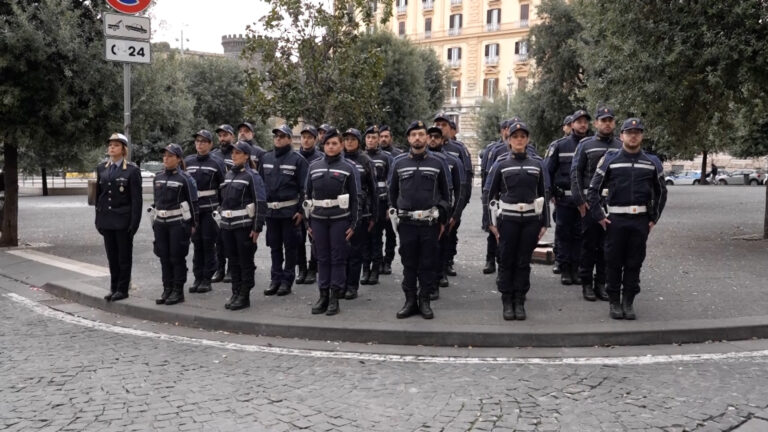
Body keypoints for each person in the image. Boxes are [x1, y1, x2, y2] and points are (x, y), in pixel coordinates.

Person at [588, 118, 667, 320]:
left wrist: (653, 219)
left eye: (637, 132)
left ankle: (628, 302)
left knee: (634, 262)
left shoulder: (652, 162)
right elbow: (593, 190)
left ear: (642, 136)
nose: (633, 135)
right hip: (615, 220)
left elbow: (661, 193)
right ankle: (614, 301)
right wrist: (599, 216)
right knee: (613, 262)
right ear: (621, 135)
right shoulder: (610, 159)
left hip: (640, 221)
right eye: (629, 132)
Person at [484, 121, 550, 320]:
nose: (519, 140)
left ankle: (520, 300)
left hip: (530, 220)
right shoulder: (501, 164)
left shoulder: (537, 164)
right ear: (509, 140)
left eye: (523, 136)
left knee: (523, 261)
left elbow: (543, 193)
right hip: (508, 219)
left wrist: (545, 222)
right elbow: (489, 194)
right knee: (506, 260)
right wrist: (490, 223)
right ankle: (507, 300)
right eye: (515, 137)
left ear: (527, 140)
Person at [388, 120, 451, 319]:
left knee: (428, 264)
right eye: (413, 134)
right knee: (408, 264)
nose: (418, 137)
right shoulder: (398, 163)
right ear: (408, 138)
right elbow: (392, 193)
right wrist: (394, 215)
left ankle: (424, 301)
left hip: (429, 224)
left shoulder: (438, 162)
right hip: (407, 223)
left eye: (421, 134)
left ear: (426, 137)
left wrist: (442, 219)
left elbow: (446, 195)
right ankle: (409, 301)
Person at [304, 128, 360, 315]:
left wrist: (353, 224)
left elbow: (356, 198)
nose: (330, 146)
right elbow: (306, 195)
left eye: (334, 143)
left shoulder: (349, 167)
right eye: (327, 143)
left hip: (339, 220)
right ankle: (323, 296)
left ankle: (335, 297)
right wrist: (308, 223)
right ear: (323, 145)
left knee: (338, 258)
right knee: (322, 258)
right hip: (318, 219)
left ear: (341, 145)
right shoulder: (313, 166)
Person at [570, 107, 622, 302]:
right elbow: (575, 174)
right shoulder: (586, 145)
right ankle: (586, 284)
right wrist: (580, 202)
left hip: (614, 205)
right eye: (603, 120)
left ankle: (602, 283)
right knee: (589, 246)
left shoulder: (620, 145)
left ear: (614, 123)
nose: (607, 123)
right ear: (596, 123)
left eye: (610, 120)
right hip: (591, 204)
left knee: (607, 247)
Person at [259, 124, 309, 297]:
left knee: (290, 247)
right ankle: (275, 279)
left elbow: (305, 189)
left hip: (289, 212)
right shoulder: (265, 158)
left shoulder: (298, 160)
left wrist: (301, 211)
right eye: (276, 136)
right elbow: (260, 185)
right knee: (274, 247)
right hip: (271, 213)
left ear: (289, 139)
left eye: (282, 136)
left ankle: (287, 281)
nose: (278, 139)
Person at [219, 141, 267, 310]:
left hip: (244, 226)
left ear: (246, 156)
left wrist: (257, 228)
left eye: (238, 153)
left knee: (245, 262)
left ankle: (244, 295)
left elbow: (260, 202)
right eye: (233, 153)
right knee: (232, 261)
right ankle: (235, 291)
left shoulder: (252, 176)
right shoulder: (228, 175)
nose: (234, 155)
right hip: (228, 226)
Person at [94, 133, 142, 302]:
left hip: (123, 221)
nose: (111, 148)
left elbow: (136, 200)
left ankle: (123, 289)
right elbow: (98, 196)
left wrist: (134, 224)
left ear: (124, 150)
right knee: (112, 257)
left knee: (123, 257)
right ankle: (113, 287)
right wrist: (98, 219)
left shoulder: (132, 170)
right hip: (107, 220)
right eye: (110, 145)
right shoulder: (102, 168)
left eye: (116, 145)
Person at [545, 109, 590, 286]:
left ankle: (576, 268)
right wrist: (550, 195)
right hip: (564, 200)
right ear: (572, 124)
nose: (582, 124)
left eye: (585, 121)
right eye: (579, 121)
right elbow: (547, 171)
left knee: (581, 235)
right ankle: (564, 268)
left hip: (585, 201)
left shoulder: (590, 145)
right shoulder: (559, 145)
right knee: (564, 234)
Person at [151, 144, 199, 306]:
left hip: (178, 224)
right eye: (164, 155)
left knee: (176, 257)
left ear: (178, 159)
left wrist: (193, 223)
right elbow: (156, 202)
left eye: (170, 156)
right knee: (164, 257)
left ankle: (178, 291)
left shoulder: (185, 178)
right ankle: (167, 288)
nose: (166, 158)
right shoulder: (158, 177)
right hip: (161, 224)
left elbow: (193, 203)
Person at [185, 129, 227, 294]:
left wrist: (221, 209)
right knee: (196, 244)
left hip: (210, 209)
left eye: (203, 141)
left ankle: (207, 279)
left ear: (210, 144)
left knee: (208, 243)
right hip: (193, 210)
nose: (199, 144)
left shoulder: (216, 163)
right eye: (197, 141)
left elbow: (223, 187)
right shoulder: (187, 161)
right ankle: (197, 277)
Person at [426, 125, 466, 297]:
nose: (433, 139)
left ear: (443, 140)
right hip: (423, 212)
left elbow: (459, 190)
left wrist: (455, 214)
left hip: (443, 211)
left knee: (442, 246)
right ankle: (426, 281)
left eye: (437, 136)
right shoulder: (419, 159)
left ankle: (440, 275)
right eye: (430, 136)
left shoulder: (452, 161)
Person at [433, 114, 473, 278]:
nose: (441, 127)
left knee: (450, 233)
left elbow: (466, 178)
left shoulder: (458, 149)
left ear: (450, 128)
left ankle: (447, 263)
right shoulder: (427, 150)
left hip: (452, 203)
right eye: (438, 124)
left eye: (444, 125)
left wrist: (461, 205)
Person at [341, 128, 378, 298]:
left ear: (358, 141)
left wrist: (373, 215)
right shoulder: (338, 159)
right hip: (340, 214)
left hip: (361, 213)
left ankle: (352, 286)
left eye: (352, 139)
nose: (349, 142)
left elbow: (373, 190)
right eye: (346, 139)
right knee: (341, 252)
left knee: (355, 252)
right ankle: (340, 284)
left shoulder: (365, 160)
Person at [363, 125, 394, 283]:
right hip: (364, 204)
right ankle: (365, 269)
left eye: (374, 138)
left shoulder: (386, 157)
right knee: (364, 238)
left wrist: (390, 205)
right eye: (368, 137)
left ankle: (375, 269)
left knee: (376, 237)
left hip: (380, 202)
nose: (371, 140)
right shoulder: (361, 157)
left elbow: (391, 183)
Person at [480, 120, 511, 275]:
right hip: (497, 198)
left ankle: (506, 264)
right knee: (493, 231)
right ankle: (490, 260)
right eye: (507, 128)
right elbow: (486, 176)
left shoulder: (529, 150)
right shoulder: (494, 150)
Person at [295, 125, 323, 285]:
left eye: (309, 137)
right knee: (299, 238)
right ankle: (302, 269)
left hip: (315, 203)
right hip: (298, 203)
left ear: (315, 139)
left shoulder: (320, 157)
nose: (306, 140)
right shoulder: (295, 157)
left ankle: (313, 268)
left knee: (315, 238)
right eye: (303, 137)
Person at [211, 124, 236, 284]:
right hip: (217, 202)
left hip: (233, 202)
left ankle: (231, 269)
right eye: (220, 136)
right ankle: (219, 268)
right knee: (218, 239)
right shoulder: (214, 155)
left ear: (232, 136)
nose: (222, 139)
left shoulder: (237, 153)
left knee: (231, 238)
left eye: (225, 135)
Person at [550, 115, 573, 275]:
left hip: (580, 195)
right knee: (562, 228)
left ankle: (575, 263)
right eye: (568, 124)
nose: (571, 127)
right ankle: (559, 259)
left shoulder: (585, 144)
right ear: (564, 127)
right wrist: (552, 191)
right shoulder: (557, 145)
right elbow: (549, 170)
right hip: (562, 194)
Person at [377, 125, 400, 273]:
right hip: (377, 201)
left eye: (386, 136)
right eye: (381, 136)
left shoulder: (397, 155)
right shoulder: (370, 155)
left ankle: (388, 261)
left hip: (391, 201)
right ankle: (378, 261)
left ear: (391, 138)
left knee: (391, 234)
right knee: (376, 234)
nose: (384, 139)